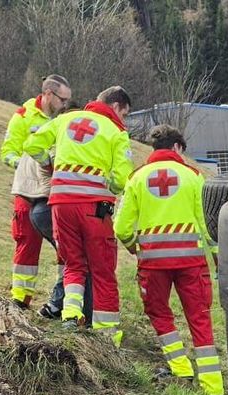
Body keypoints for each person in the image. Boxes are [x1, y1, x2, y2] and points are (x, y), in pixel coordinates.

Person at [112, 125, 228, 395]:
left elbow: (121, 226)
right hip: (191, 262)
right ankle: (214, 390)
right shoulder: (193, 177)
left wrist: (133, 247)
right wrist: (216, 256)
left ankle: (180, 367)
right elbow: (208, 224)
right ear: (178, 147)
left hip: (153, 264)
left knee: (159, 312)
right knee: (199, 318)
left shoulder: (136, 178)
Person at [24, 86, 134, 344]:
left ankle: (71, 318)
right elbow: (121, 178)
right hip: (94, 208)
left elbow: (32, 144)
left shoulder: (64, 119)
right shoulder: (116, 132)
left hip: (61, 204)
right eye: (125, 114)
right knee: (103, 271)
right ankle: (106, 336)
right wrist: (109, 185)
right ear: (116, 106)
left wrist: (50, 165)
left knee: (73, 264)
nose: (124, 119)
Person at [0, 75, 71, 308]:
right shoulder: (23, 117)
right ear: (49, 94)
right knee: (27, 243)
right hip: (28, 191)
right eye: (62, 100)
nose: (65, 105)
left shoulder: (65, 120)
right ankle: (20, 298)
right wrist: (27, 166)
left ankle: (63, 295)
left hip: (57, 190)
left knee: (65, 243)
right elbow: (7, 153)